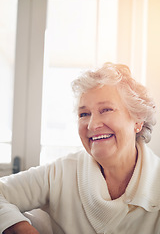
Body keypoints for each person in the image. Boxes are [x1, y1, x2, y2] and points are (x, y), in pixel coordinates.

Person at [0, 62, 159, 234]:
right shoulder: (61, 172)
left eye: (106, 109)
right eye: (84, 114)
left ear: (138, 120)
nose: (92, 124)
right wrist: (19, 227)